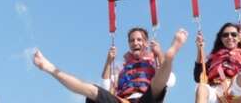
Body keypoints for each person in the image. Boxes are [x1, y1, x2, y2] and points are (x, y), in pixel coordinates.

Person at [34, 27, 188, 103]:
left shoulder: (153, 61)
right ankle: (49, 68)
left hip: (146, 100)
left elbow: (170, 80)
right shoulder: (121, 67)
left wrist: (160, 54)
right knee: (91, 90)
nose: (135, 42)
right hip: (123, 102)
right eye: (132, 40)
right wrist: (109, 61)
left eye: (139, 40)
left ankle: (170, 55)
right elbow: (106, 85)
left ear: (146, 43)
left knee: (156, 85)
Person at [194, 23, 241, 103]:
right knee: (201, 87)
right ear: (221, 39)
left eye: (234, 35)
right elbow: (197, 78)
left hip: (235, 89)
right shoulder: (213, 58)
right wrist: (200, 49)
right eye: (225, 35)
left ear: (239, 37)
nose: (230, 37)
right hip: (216, 91)